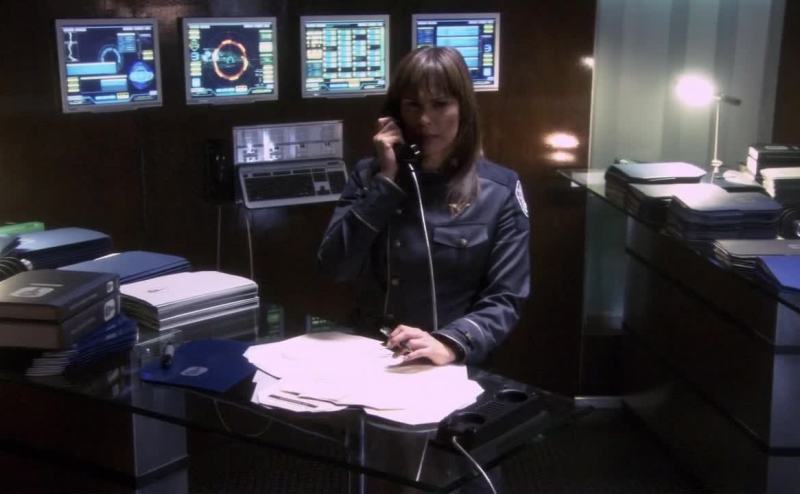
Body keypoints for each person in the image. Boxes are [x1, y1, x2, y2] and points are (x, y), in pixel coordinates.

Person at [318, 46, 530, 367]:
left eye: (440, 104)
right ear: (396, 113)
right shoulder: (369, 177)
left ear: (463, 109)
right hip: (372, 353)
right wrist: (386, 183)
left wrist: (450, 343)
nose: (425, 120)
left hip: (451, 359)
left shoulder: (499, 190)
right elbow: (334, 268)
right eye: (413, 106)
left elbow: (506, 297)